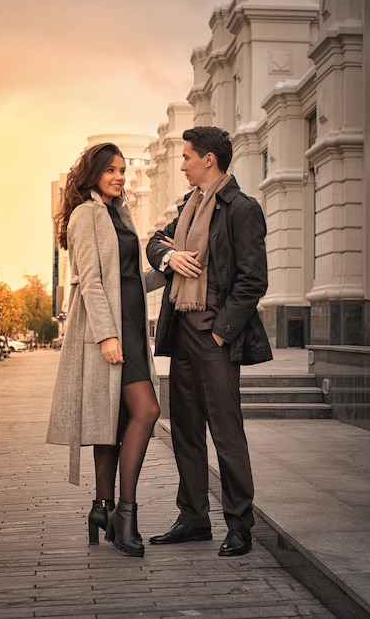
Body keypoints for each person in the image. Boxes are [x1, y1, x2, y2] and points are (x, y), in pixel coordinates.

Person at [146, 126, 272, 557]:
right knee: (184, 429)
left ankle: (240, 524)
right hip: (181, 331)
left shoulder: (241, 209)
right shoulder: (188, 207)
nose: (182, 164)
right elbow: (152, 244)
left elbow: (253, 281)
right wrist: (170, 256)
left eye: (186, 157)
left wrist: (221, 331)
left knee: (226, 432)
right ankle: (194, 518)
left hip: (215, 336)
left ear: (208, 160)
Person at [46, 143, 162, 558]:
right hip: (109, 332)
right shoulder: (85, 214)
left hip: (131, 326)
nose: (119, 176)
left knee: (118, 418)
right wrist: (106, 336)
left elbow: (127, 279)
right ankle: (124, 515)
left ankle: (102, 507)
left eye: (122, 170)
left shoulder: (120, 213)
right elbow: (92, 281)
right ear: (93, 173)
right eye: (110, 170)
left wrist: (166, 271)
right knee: (145, 411)